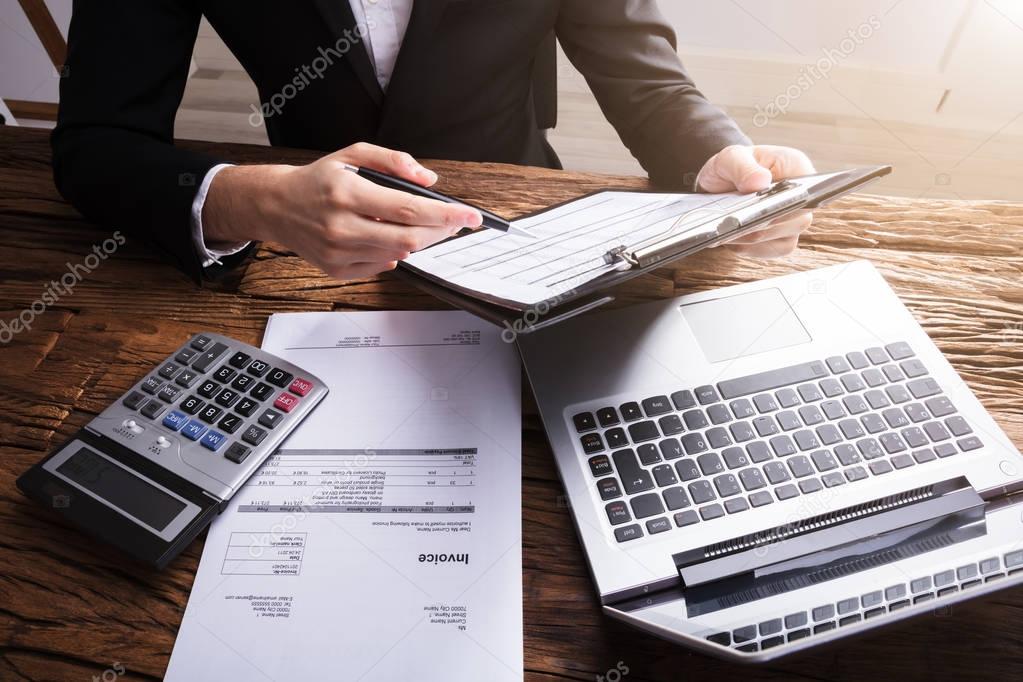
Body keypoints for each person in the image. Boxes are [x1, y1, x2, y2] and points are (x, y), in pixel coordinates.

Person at [52, 0, 815, 283]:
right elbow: (95, 143)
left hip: (521, 229)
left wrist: (715, 157)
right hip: (302, 260)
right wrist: (252, 201)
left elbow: (643, 78)